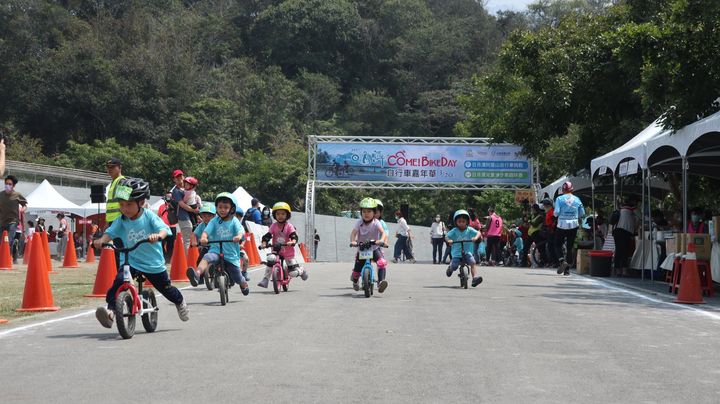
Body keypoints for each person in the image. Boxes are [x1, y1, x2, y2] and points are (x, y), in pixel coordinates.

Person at [93, 177, 189, 328]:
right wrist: (101, 240)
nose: (125, 208)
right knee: (117, 283)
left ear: (141, 202)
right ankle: (110, 312)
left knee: (167, 289)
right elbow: (110, 233)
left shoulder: (148, 216)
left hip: (153, 263)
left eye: (129, 204)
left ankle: (179, 301)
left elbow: (163, 229)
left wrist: (158, 236)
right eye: (122, 204)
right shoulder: (121, 220)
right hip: (131, 261)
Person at [187, 193, 250, 295]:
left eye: (226, 207)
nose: (222, 210)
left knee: (237, 277)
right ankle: (197, 275)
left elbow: (240, 231)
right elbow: (206, 231)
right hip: (216, 250)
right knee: (207, 257)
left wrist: (238, 237)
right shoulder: (214, 221)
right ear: (216, 208)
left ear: (232, 209)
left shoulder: (234, 221)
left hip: (231, 254)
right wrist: (203, 238)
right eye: (220, 207)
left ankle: (243, 284)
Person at [258, 202, 308, 288]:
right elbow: (267, 236)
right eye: (278, 214)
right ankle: (265, 279)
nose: (280, 216)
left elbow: (294, 235)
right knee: (271, 259)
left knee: (292, 273)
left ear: (287, 215)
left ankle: (301, 271)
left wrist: (292, 241)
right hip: (276, 250)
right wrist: (264, 243)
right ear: (274, 215)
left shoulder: (289, 226)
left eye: (283, 214)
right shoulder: (273, 226)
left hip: (288, 252)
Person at [349, 198, 388, 292]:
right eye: (364, 211)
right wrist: (353, 241)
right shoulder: (359, 222)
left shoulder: (376, 222)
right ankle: (355, 281)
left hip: (374, 248)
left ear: (374, 213)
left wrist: (381, 240)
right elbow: (353, 233)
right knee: (356, 272)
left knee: (382, 262)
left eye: (369, 211)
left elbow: (383, 233)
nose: (366, 214)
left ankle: (380, 282)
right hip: (362, 249)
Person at [445, 209, 483, 287]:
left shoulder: (469, 230)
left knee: (472, 262)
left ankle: (474, 278)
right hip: (456, 253)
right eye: (459, 222)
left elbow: (478, 232)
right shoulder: (454, 230)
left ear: (467, 222)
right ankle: (450, 269)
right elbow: (447, 236)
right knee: (454, 266)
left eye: (463, 221)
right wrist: (449, 240)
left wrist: (475, 238)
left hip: (467, 251)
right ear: (456, 222)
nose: (461, 223)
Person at [553, 181, 585, 275]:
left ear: (563, 190)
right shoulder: (577, 199)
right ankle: (567, 271)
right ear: (572, 189)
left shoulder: (559, 199)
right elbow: (582, 213)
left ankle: (562, 261)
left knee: (557, 244)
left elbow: (556, 212)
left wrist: (557, 215)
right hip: (574, 225)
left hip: (562, 225)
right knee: (570, 247)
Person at [0, 175, 27, 263]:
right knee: (2, 240)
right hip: (2, 221)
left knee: (9, 239)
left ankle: (7, 258)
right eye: (6, 183)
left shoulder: (17, 195)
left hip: (13, 221)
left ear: (13, 186)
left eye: (9, 184)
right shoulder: (1, 194)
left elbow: (25, 204)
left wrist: (23, 209)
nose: (7, 185)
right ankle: (6, 255)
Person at [170, 170, 197, 250]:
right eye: (176, 177)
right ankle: (186, 260)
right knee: (187, 239)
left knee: (191, 236)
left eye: (180, 176)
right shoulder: (176, 191)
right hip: (183, 217)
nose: (179, 178)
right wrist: (193, 210)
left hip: (190, 216)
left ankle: (189, 258)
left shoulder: (186, 188)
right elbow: (182, 204)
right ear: (174, 179)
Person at [612, 198, 638, 277]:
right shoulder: (633, 209)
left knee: (618, 250)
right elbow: (640, 218)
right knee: (625, 251)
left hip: (616, 231)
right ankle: (624, 271)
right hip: (625, 231)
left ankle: (617, 270)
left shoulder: (620, 209)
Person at [104, 158, 126, 226]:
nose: (109, 169)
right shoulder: (114, 182)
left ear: (120, 167)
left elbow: (124, 203)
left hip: (119, 221)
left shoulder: (122, 181)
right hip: (112, 221)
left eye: (112, 167)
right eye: (108, 167)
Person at [157, 192, 177, 263]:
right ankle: (164, 257)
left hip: (172, 227)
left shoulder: (175, 207)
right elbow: (158, 216)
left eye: (170, 197)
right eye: (167, 197)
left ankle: (168, 259)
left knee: (171, 245)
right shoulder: (161, 206)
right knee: (161, 243)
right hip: (163, 228)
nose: (169, 199)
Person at [542, 198, 558, 266]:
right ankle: (553, 261)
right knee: (550, 246)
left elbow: (554, 221)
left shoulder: (552, 212)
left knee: (551, 247)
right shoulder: (548, 212)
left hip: (552, 231)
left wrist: (551, 228)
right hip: (550, 230)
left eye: (545, 205)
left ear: (549, 205)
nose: (544, 206)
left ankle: (555, 262)